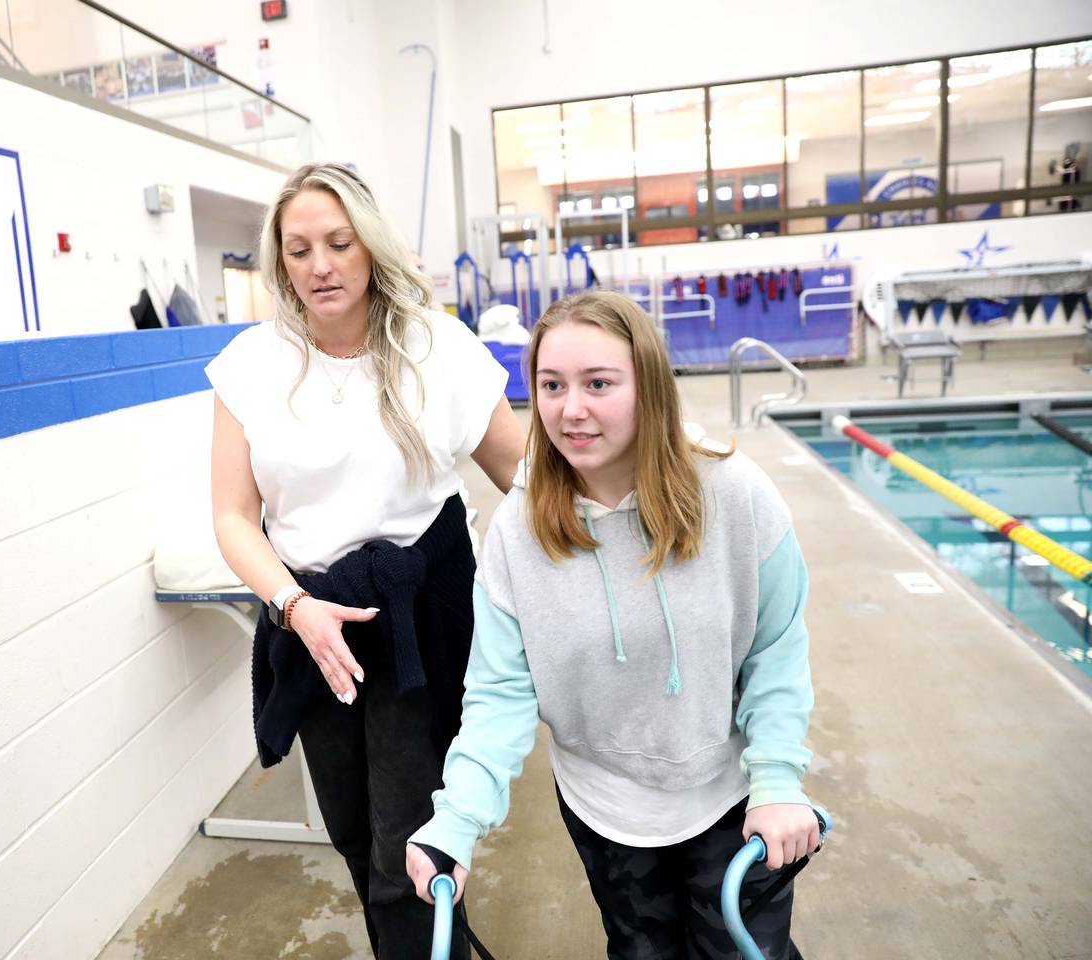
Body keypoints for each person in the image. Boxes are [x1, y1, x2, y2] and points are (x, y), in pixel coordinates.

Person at [406, 290, 820, 960]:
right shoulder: (518, 530)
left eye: (599, 383)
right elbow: (500, 695)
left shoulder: (734, 494)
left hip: (730, 796)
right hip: (605, 810)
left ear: (647, 386)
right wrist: (456, 820)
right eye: (551, 385)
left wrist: (776, 779)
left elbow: (775, 650)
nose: (572, 409)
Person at [207, 162, 524, 958]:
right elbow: (233, 517)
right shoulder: (251, 364)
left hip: (418, 619)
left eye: (338, 243)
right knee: (354, 834)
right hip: (313, 622)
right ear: (280, 261)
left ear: (370, 246)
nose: (320, 265)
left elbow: (524, 475)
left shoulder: (436, 347)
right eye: (300, 248)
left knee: (407, 847)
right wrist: (294, 607)